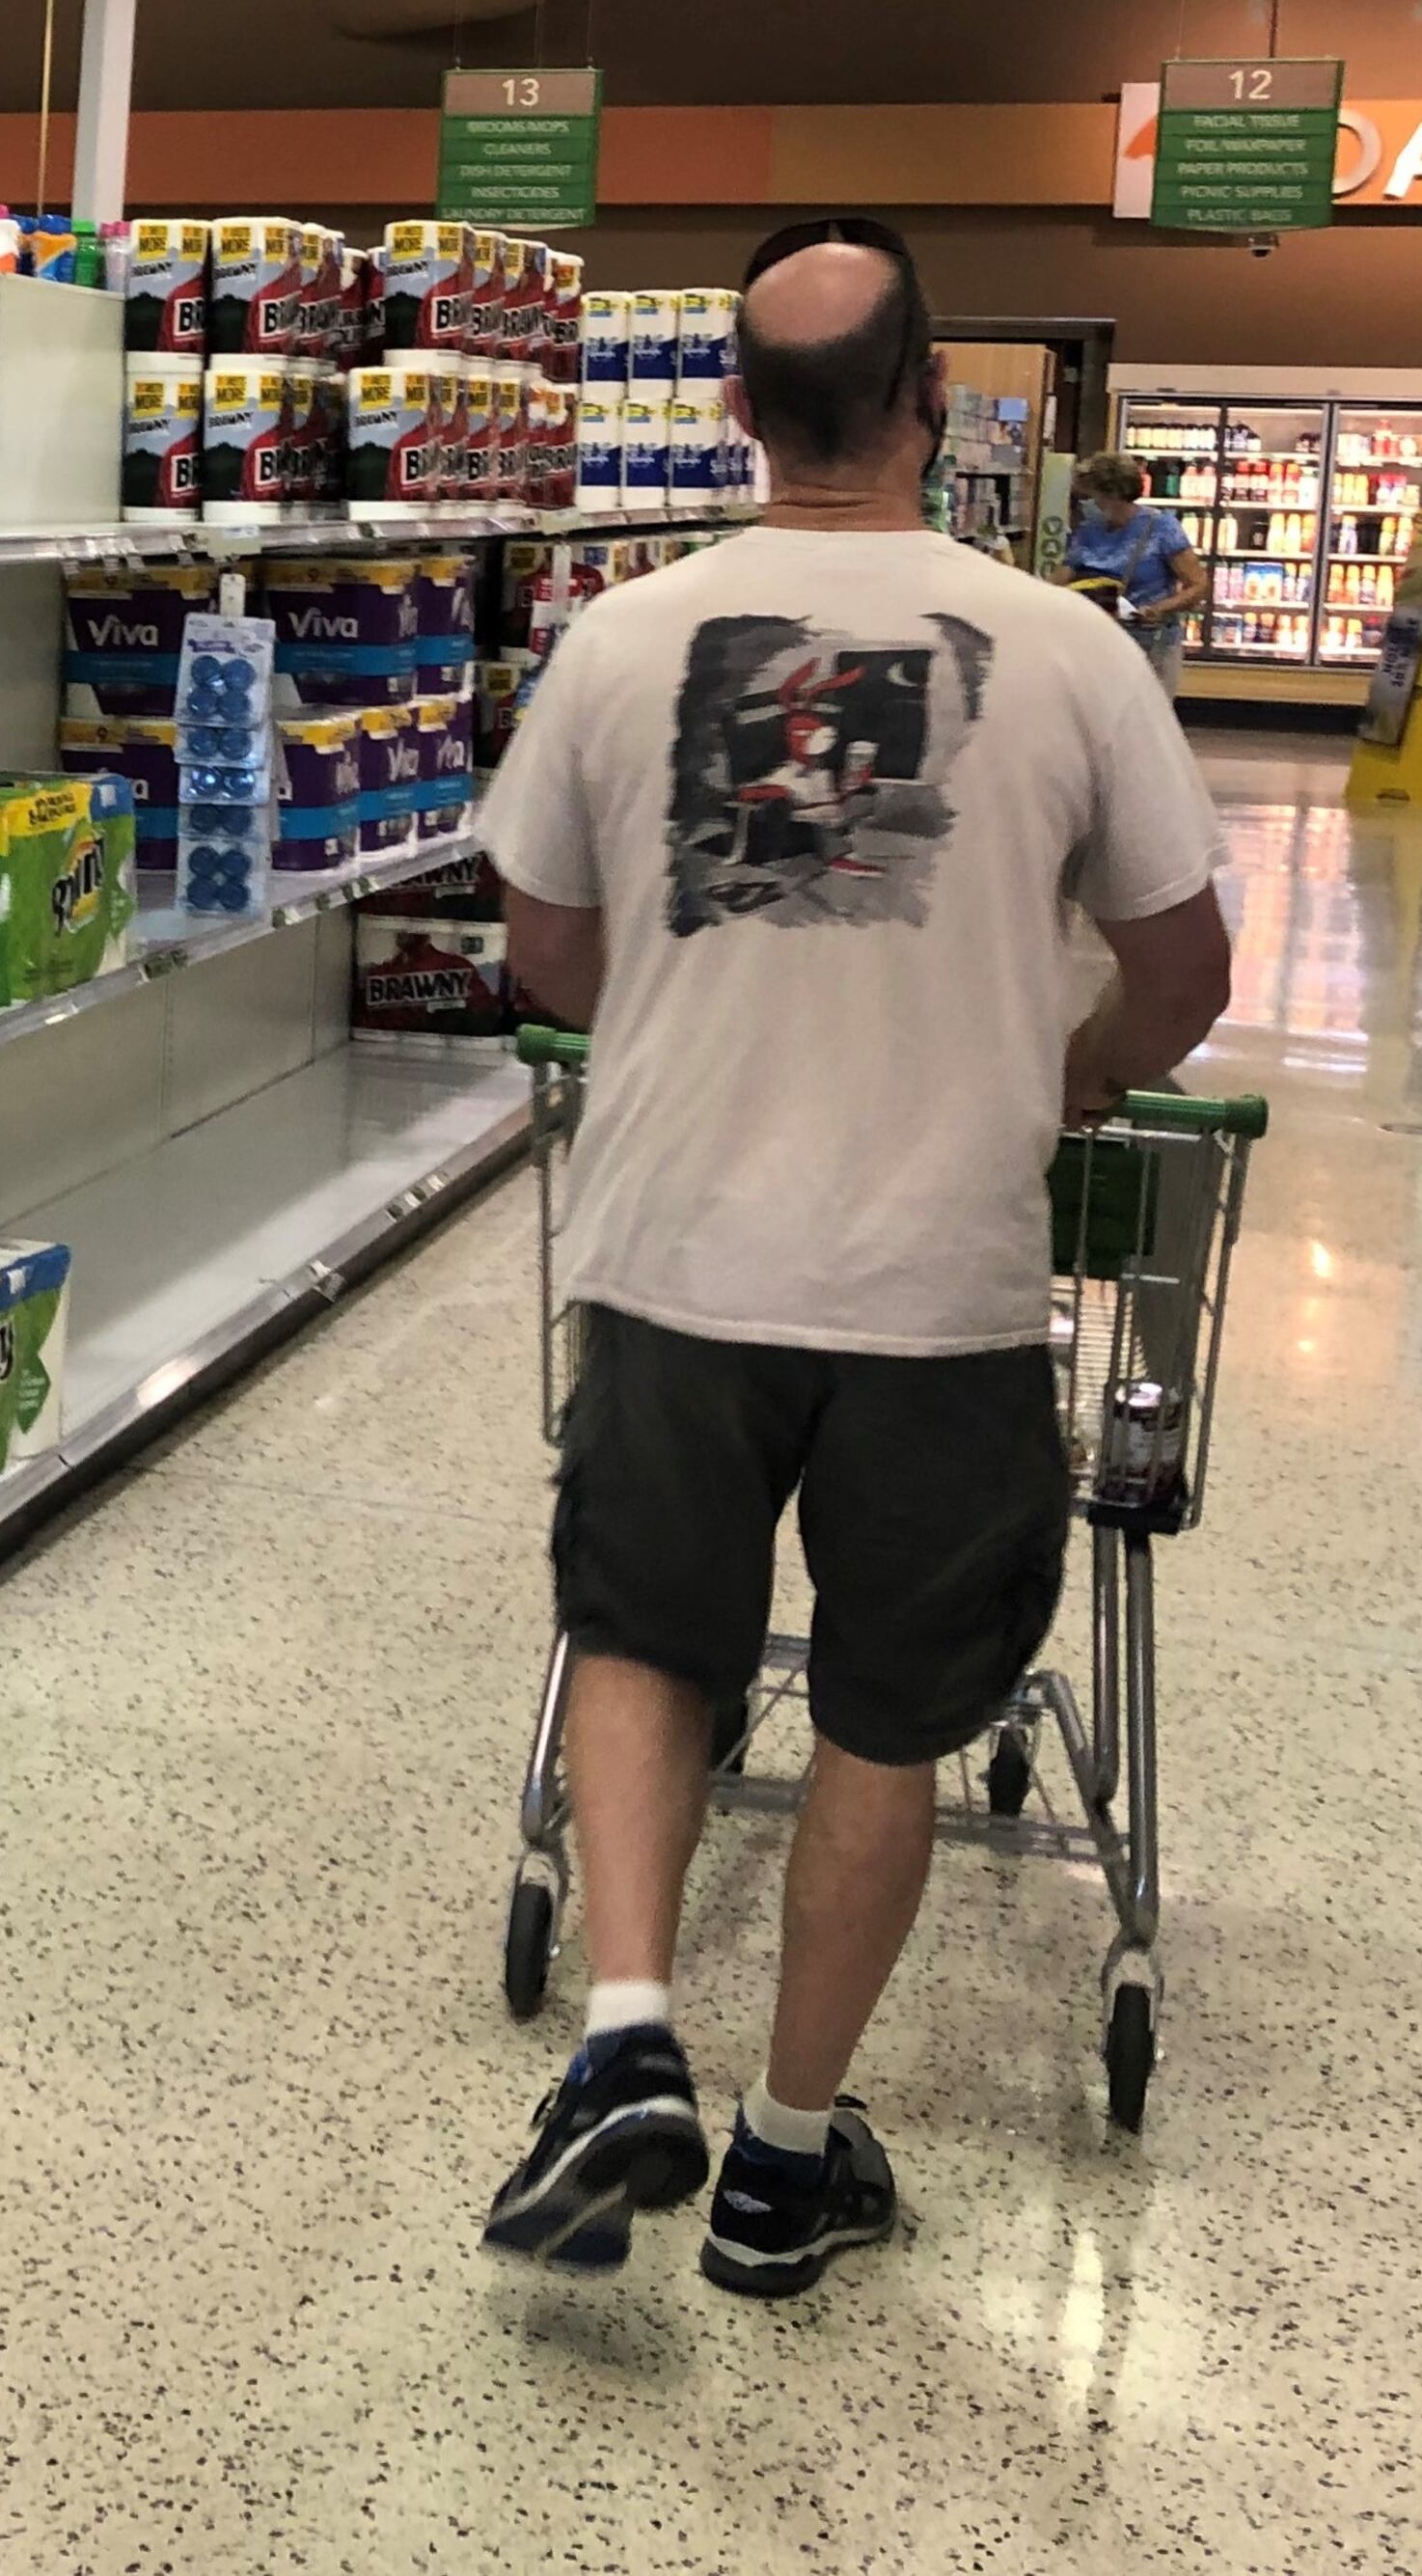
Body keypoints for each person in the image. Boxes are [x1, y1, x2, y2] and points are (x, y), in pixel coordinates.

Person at [467, 216, 1233, 2294]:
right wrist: (1067, 1065)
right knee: (886, 1718)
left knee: (641, 1632)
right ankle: (789, 2159)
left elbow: (542, 950)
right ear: (928, 405)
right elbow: (1186, 966)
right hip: (938, 1289)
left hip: (672, 1254)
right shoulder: (1067, 647)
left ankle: (630, 2027)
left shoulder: (626, 644)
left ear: (727, 405)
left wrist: (703, 991)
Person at [1065, 452, 1210, 699]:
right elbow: (1063, 576)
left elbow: (1198, 585)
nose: (1087, 503)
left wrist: (1159, 608)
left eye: (1092, 495)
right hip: (1100, 640)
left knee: (1144, 721)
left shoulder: (1161, 528)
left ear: (1112, 493)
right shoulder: (1089, 530)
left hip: (1151, 643)